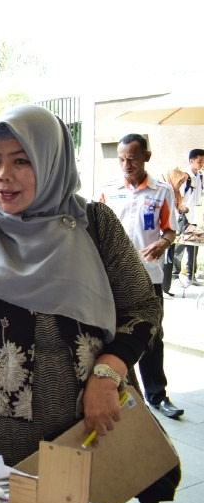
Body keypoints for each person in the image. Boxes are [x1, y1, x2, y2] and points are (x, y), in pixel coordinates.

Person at [0, 104, 160, 466]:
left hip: (87, 420)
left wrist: (108, 373)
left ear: (51, 161)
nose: (2, 175)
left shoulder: (94, 226)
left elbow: (143, 307)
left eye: (22, 161)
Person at [99, 134, 184, 419]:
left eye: (132, 159)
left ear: (146, 157)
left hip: (148, 277)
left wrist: (163, 243)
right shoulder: (108, 191)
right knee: (113, 335)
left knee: (152, 335)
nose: (126, 164)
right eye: (121, 159)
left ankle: (157, 396)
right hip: (112, 278)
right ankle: (123, 394)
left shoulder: (161, 191)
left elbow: (170, 230)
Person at [173, 149, 204, 284]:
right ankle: (174, 274)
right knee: (180, 244)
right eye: (199, 161)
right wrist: (180, 209)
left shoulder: (200, 176)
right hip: (183, 216)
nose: (202, 163)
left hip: (195, 216)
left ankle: (191, 275)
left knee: (194, 244)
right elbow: (176, 195)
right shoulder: (185, 177)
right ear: (191, 161)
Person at [161, 167, 188, 296]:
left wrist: (182, 209)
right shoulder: (166, 191)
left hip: (173, 231)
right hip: (164, 233)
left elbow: (176, 209)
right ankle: (162, 289)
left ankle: (166, 288)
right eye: (179, 182)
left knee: (169, 261)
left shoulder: (176, 193)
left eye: (182, 182)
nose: (181, 185)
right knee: (164, 261)